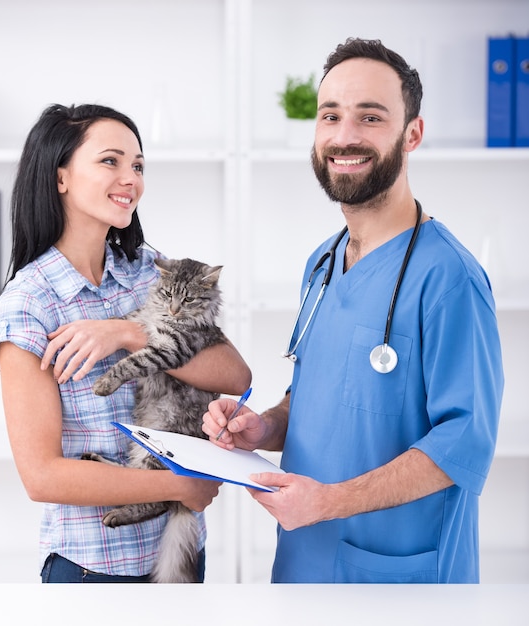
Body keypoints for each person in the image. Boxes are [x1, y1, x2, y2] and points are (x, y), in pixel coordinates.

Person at [203, 38, 504, 583]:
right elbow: (322, 397)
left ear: (412, 133)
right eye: (330, 116)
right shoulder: (322, 263)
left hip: (398, 581)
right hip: (303, 567)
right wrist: (263, 427)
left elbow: (463, 442)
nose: (344, 136)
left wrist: (329, 502)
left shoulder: (449, 278)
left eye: (370, 117)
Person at [0, 103, 251, 583]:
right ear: (60, 176)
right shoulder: (30, 303)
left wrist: (129, 333)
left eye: (138, 165)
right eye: (110, 161)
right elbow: (41, 476)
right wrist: (177, 485)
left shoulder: (151, 271)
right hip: (92, 569)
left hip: (182, 554)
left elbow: (235, 373)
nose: (131, 178)